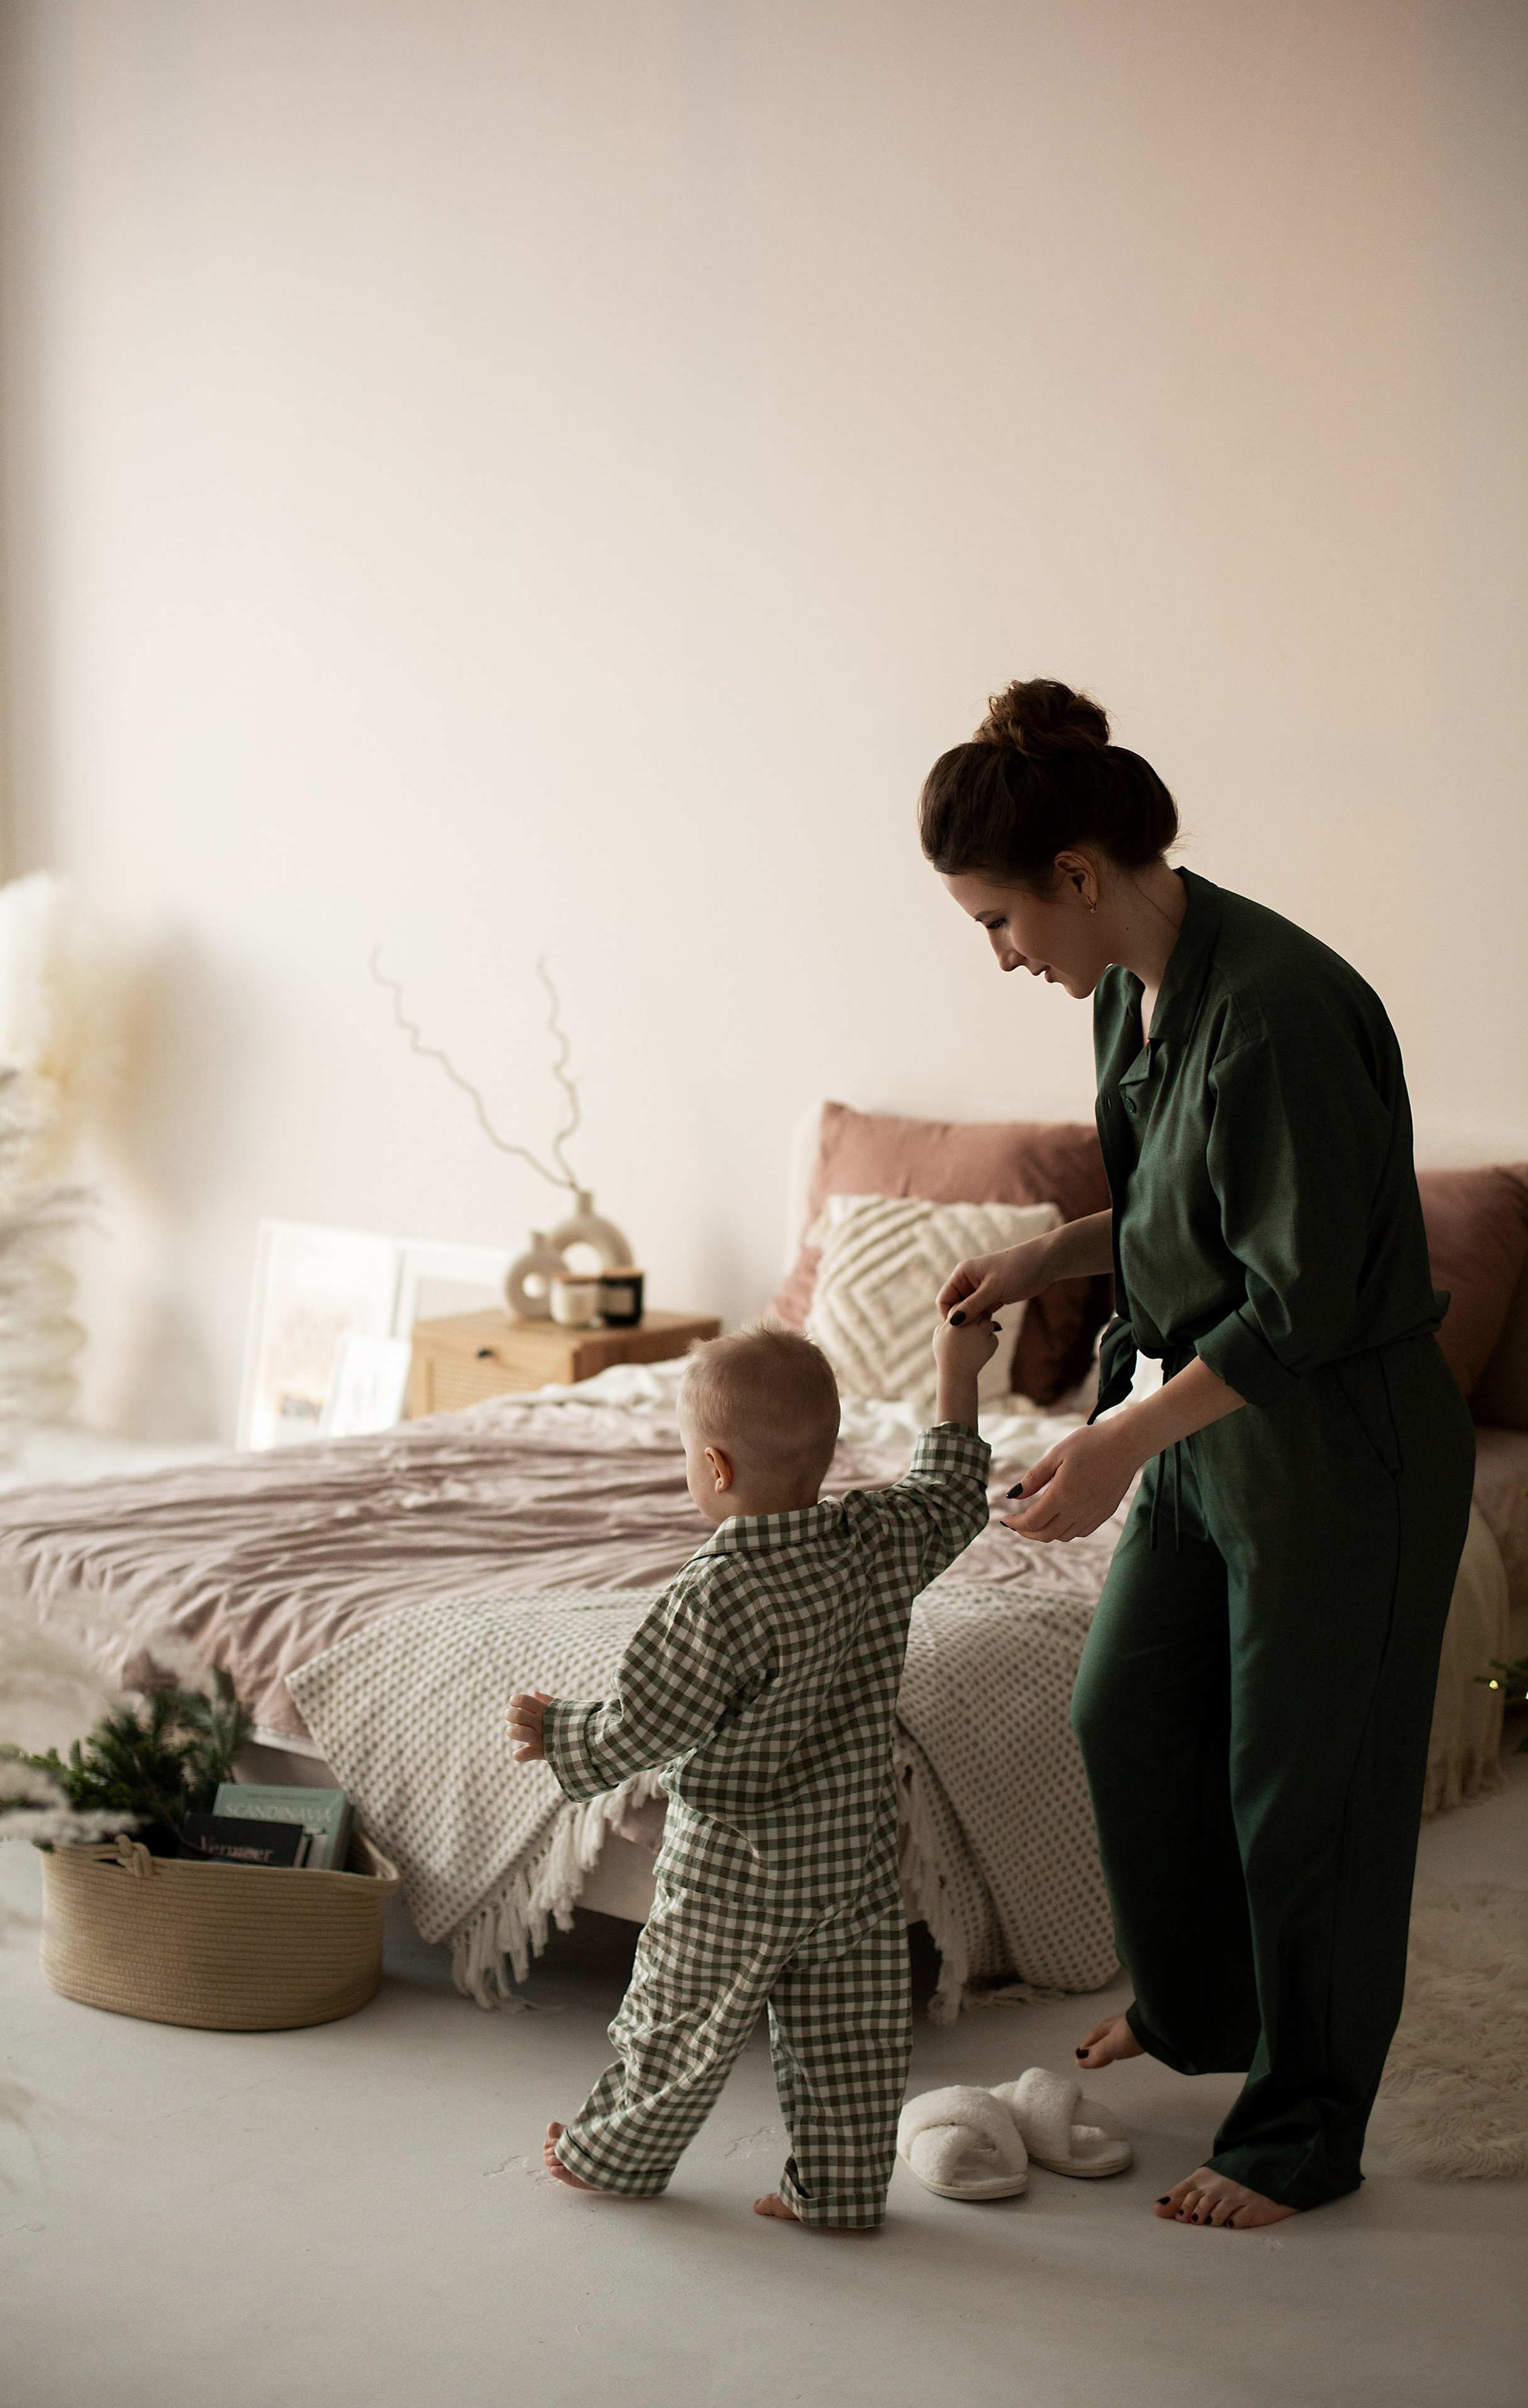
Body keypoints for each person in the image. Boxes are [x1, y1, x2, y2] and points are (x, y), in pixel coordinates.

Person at [923, 677, 1473, 2231]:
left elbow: (1297, 1297)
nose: (1000, 952)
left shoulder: (1283, 1006)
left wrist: (1105, 1447)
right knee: (1126, 1717)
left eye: (995, 920)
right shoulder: (1125, 991)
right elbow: (1190, 1203)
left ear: (1078, 877)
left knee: (1308, 1799)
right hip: (1203, 1430)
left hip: (1331, 1444)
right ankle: (1204, 2011)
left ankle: (1299, 2129)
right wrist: (1051, 1256)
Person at [504, 1316, 998, 2231]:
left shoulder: (717, 1590)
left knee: (677, 2021)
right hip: (850, 1863)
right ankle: (841, 2195)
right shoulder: (876, 1540)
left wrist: (564, 1735)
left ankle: (615, 2154)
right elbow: (952, 1492)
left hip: (733, 1869)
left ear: (716, 1469)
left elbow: (649, 1718)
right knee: (849, 2044)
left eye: (689, 1457)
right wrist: (953, 1368)